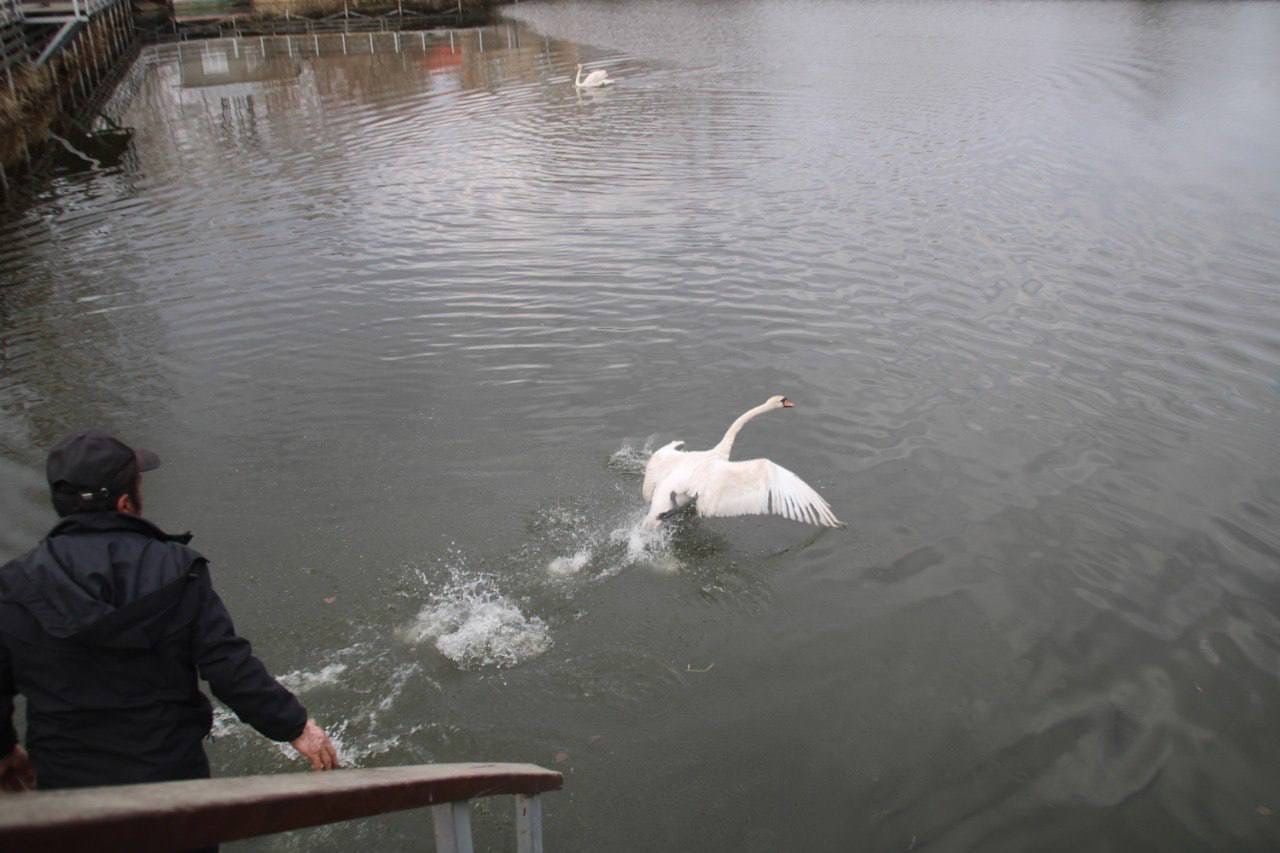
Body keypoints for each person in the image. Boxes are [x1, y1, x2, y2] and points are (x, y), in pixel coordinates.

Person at [0, 429, 338, 793]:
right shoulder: (177, 570)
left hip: (63, 792)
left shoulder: (14, 585)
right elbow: (227, 666)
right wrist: (297, 727)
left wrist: (4, 748)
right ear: (126, 504)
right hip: (170, 787)